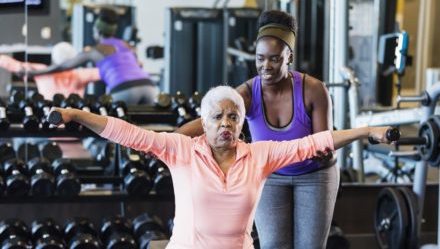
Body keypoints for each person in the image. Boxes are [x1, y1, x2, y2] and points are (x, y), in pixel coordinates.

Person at [49, 85, 395, 249]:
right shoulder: (181, 149)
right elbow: (127, 133)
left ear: (242, 123)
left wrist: (366, 132)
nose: (226, 123)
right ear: (205, 121)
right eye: (217, 117)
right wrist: (76, 115)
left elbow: (313, 143)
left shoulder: (259, 155)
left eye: (234, 117)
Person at [176, 10, 336, 248]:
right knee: (273, 245)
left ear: (289, 57)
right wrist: (169, 139)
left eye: (274, 58)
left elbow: (325, 146)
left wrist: (322, 151)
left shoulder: (314, 90)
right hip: (270, 176)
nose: (266, 66)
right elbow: (210, 121)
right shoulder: (248, 94)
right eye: (260, 58)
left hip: (314, 176)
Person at [19, 7, 158, 105]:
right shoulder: (126, 45)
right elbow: (139, 65)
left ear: (97, 31)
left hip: (124, 89)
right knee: (143, 132)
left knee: (110, 132)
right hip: (149, 87)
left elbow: (63, 66)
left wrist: (33, 73)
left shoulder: (95, 50)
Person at [0, 42, 100, 99]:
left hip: (52, 129)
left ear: (52, 58)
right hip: (75, 129)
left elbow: (9, 63)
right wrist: (90, 54)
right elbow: (107, 71)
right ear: (74, 61)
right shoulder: (80, 75)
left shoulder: (42, 71)